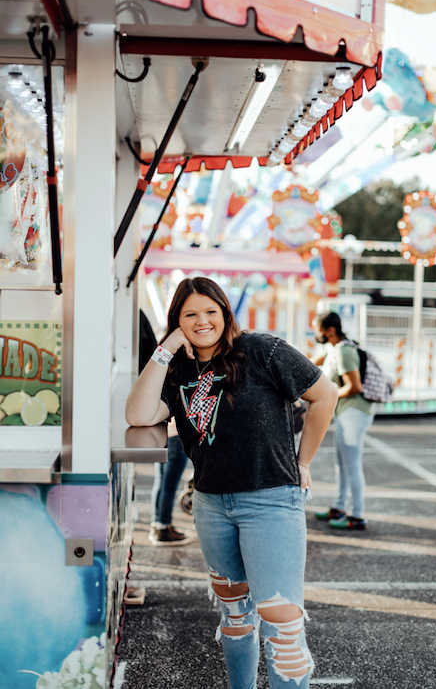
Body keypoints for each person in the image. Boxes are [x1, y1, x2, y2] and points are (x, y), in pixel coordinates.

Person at [126, 277, 337, 689]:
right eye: (190, 315)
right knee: (235, 614)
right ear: (176, 321)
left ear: (225, 312)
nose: (202, 321)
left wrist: (304, 461)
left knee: (283, 622)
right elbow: (138, 414)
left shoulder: (261, 350)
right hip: (210, 505)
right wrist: (167, 347)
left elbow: (324, 394)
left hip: (272, 501)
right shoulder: (178, 367)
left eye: (211, 311)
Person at [313, 311, 374, 531]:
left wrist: (329, 395)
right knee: (342, 464)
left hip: (354, 413)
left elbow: (354, 386)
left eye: (318, 330)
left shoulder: (344, 352)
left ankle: (357, 515)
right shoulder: (333, 349)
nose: (316, 334)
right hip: (345, 412)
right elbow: (312, 363)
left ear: (330, 331)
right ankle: (339, 507)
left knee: (351, 466)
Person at [139, 310, 190, 545]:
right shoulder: (177, 370)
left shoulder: (161, 368)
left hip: (167, 432)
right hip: (175, 434)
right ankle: (161, 526)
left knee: (163, 481)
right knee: (168, 482)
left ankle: (160, 524)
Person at [149, 419, 191, 545]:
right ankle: (163, 527)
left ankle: (157, 525)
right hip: (176, 437)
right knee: (168, 486)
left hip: (162, 436)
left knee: (161, 482)